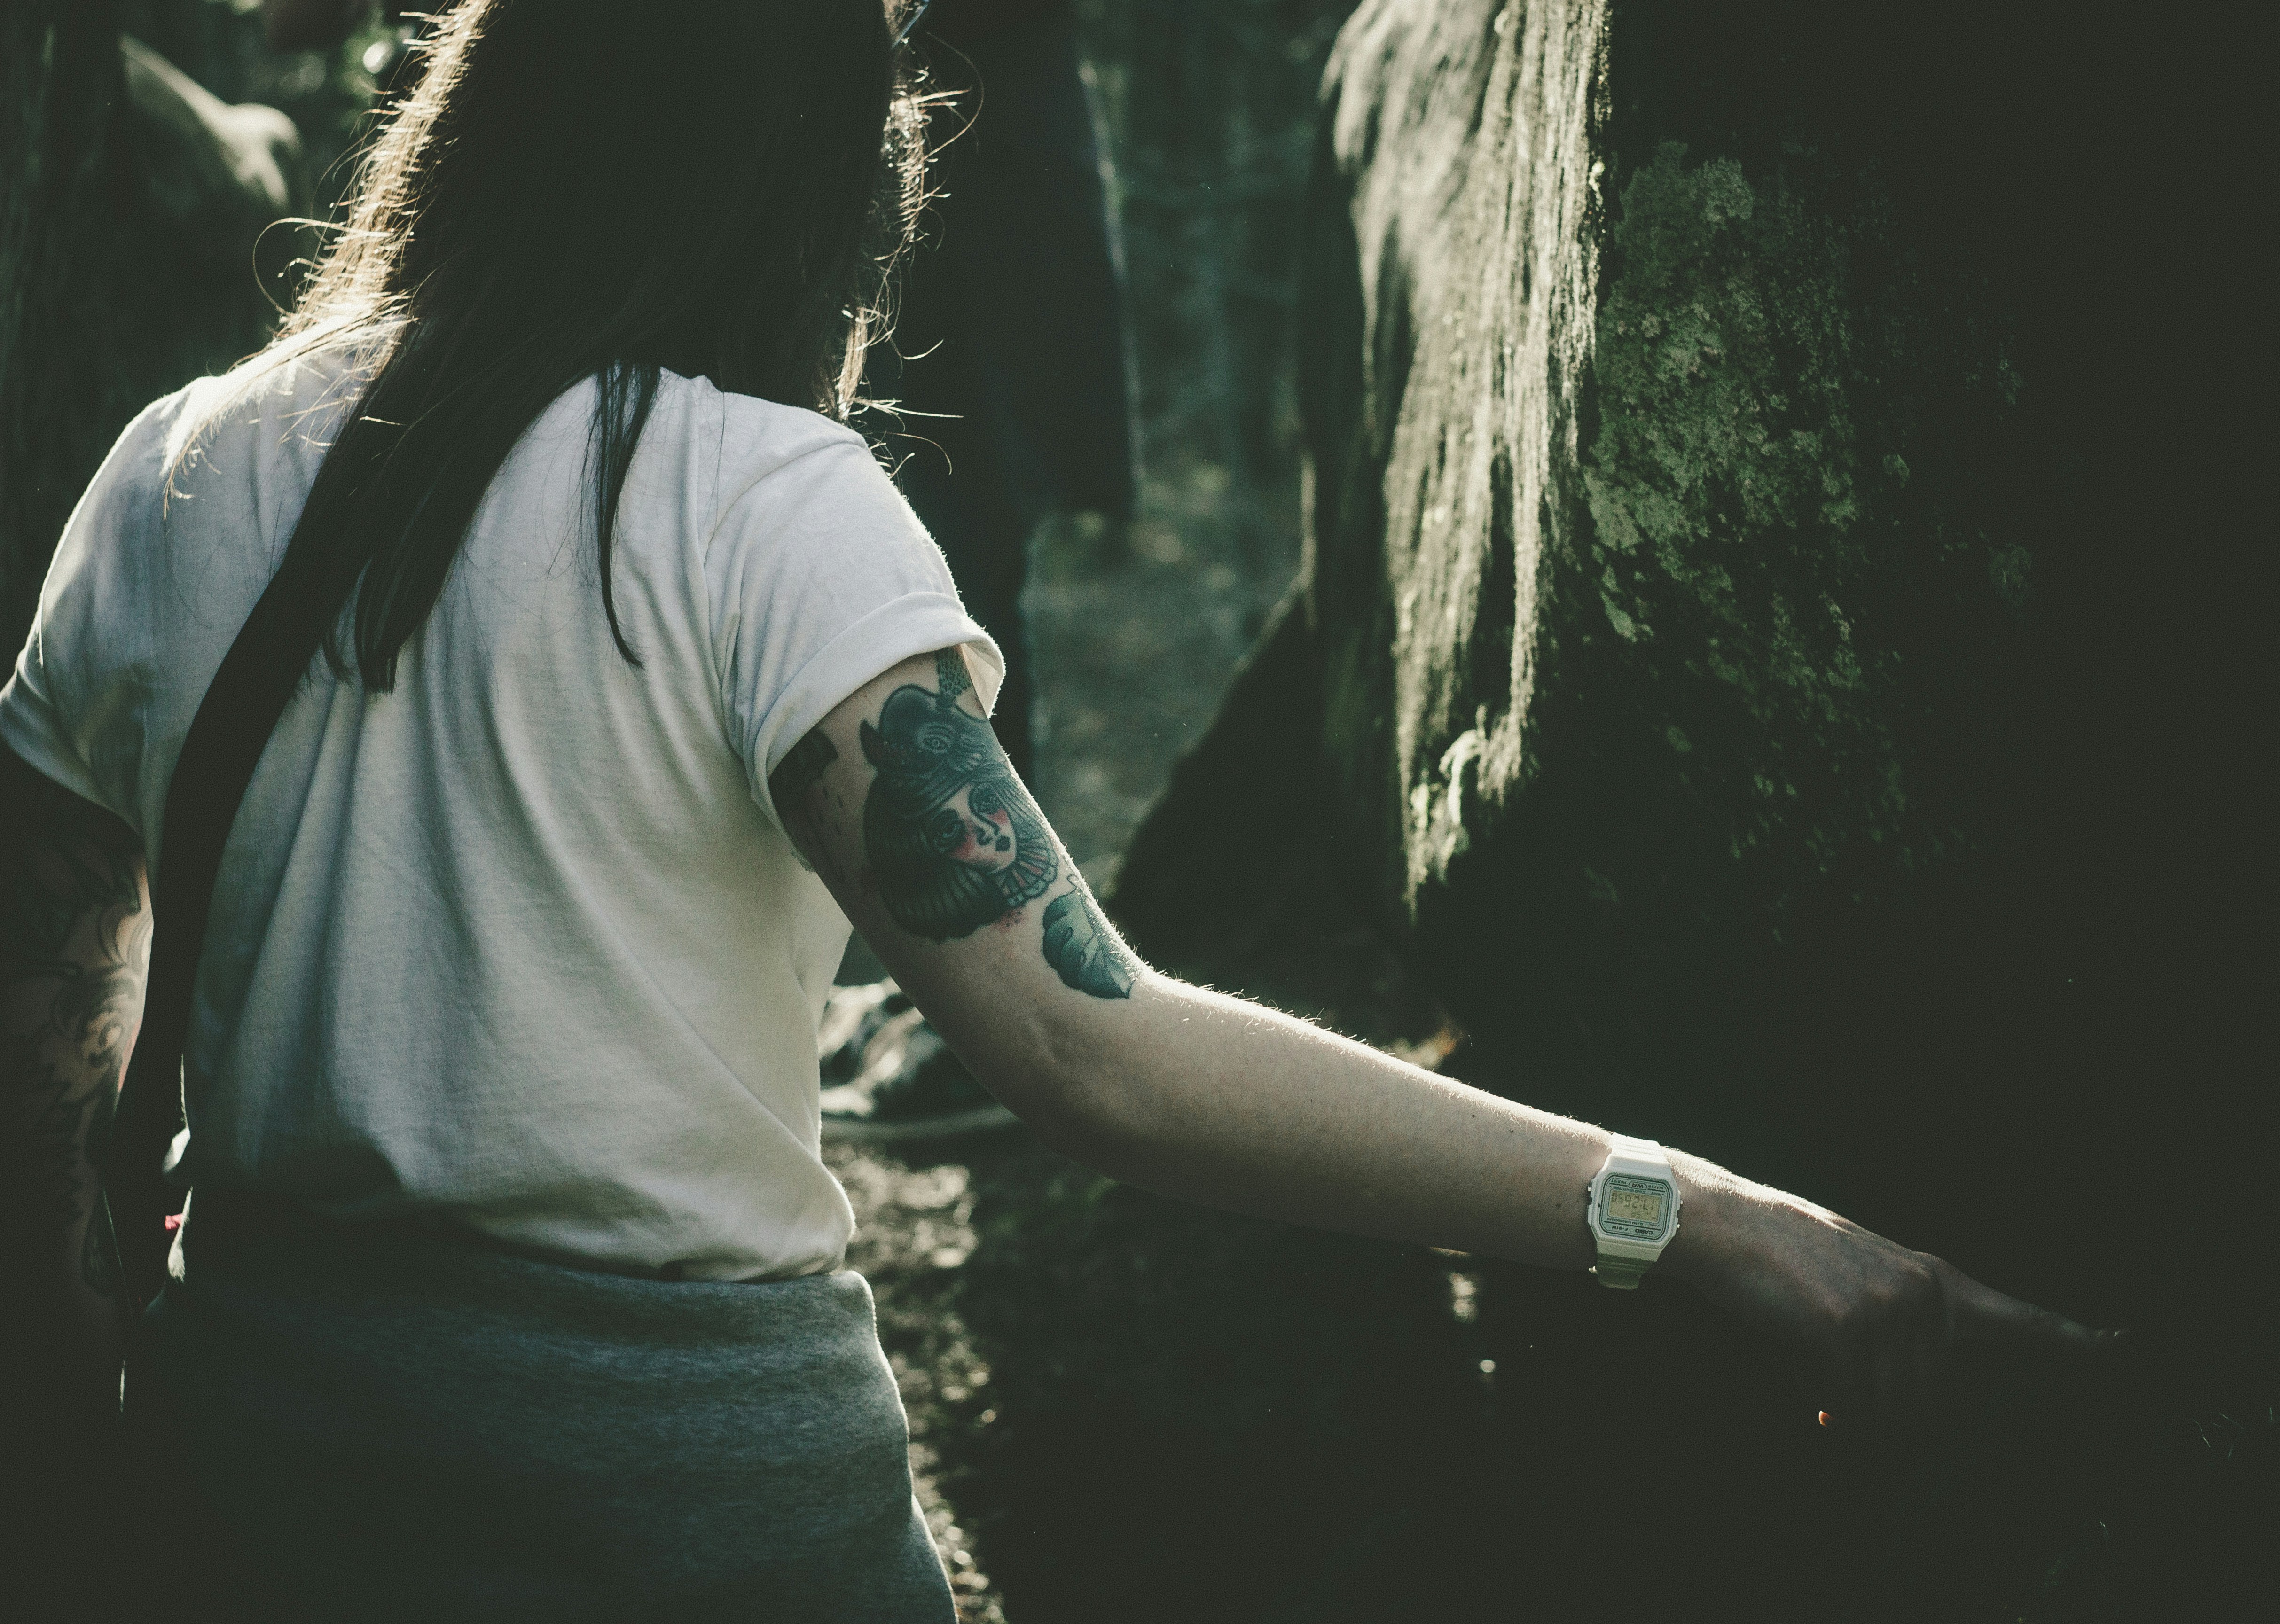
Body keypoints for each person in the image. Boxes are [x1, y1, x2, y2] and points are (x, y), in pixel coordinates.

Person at [0, 3, 2114, 1618]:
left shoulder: (173, 472)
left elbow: (46, 969)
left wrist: (93, 1346)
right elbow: (1096, 1053)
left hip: (256, 1491)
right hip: (707, 1530)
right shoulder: (755, 500)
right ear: (802, 163)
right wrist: (1708, 1220)